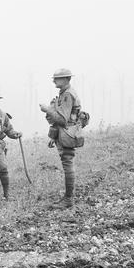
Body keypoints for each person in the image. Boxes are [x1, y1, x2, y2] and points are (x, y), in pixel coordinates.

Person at [40, 68, 84, 209]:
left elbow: (62, 120)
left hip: (67, 133)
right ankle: (67, 197)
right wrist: (53, 136)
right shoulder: (64, 93)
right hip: (65, 133)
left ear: (66, 79)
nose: (54, 81)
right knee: (67, 164)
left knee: (67, 164)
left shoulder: (67, 95)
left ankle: (68, 199)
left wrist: (48, 109)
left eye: (57, 79)